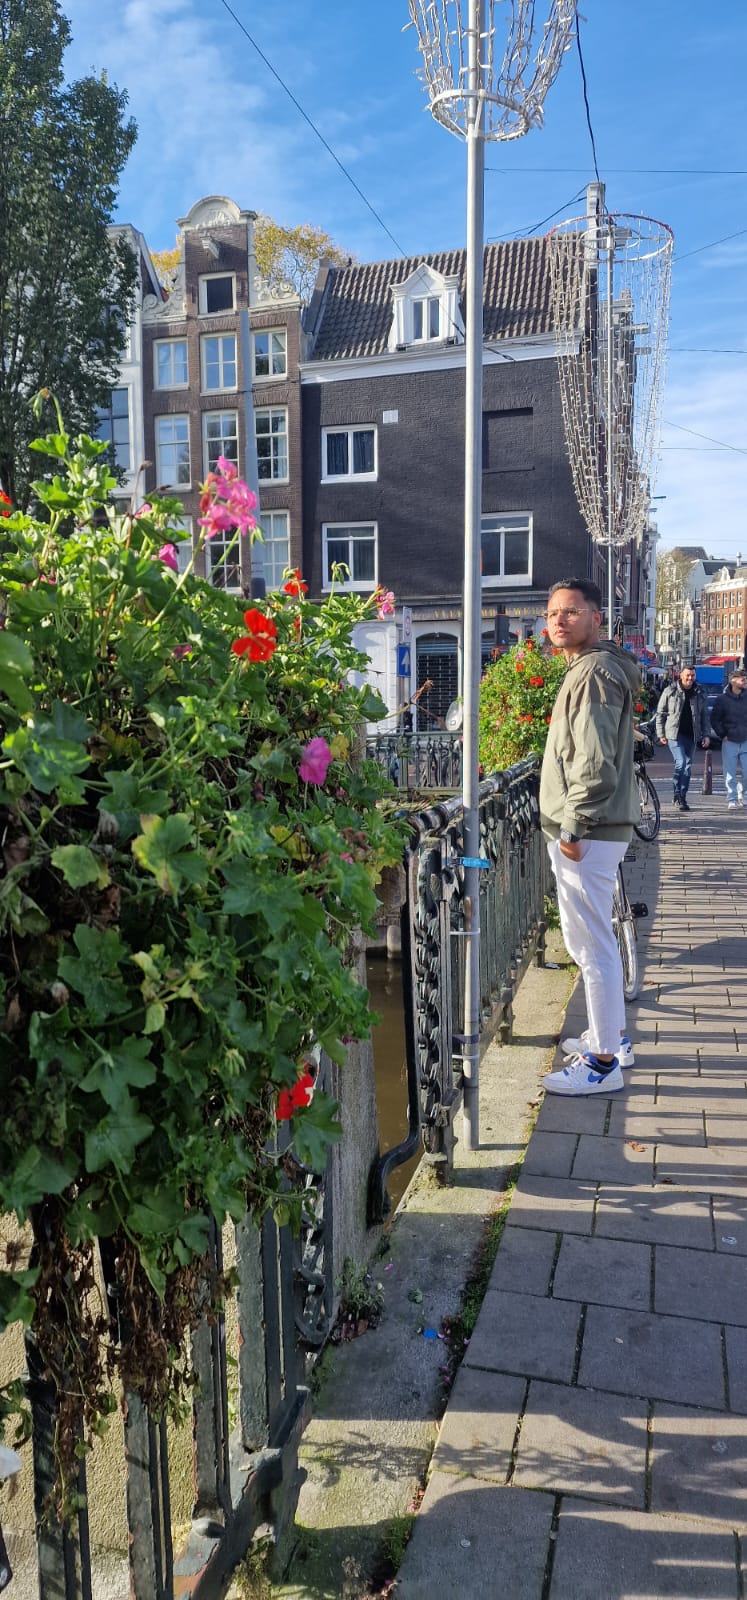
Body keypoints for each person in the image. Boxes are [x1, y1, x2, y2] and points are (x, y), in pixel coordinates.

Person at [539, 579, 641, 1097]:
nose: (558, 620)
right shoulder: (594, 668)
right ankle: (612, 1038)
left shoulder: (594, 672)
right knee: (591, 941)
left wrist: (573, 824)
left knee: (593, 945)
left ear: (596, 617)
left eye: (571, 611)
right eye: (552, 613)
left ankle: (602, 1065)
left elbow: (595, 762)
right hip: (598, 828)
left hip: (587, 831)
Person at [655, 666, 710, 811]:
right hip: (674, 733)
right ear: (681, 675)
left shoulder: (699, 692)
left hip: (691, 734)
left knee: (687, 766)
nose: (690, 678)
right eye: (687, 675)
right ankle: (677, 794)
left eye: (692, 675)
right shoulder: (670, 690)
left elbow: (704, 715)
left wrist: (706, 735)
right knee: (681, 762)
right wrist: (660, 734)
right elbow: (660, 713)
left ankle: (682, 796)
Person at [711, 668, 747, 809]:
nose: (745, 681)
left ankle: (743, 793)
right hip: (730, 740)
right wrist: (722, 734)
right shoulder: (722, 700)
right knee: (730, 772)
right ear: (733, 681)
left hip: (745, 738)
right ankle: (732, 798)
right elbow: (715, 719)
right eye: (742, 678)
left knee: (746, 771)